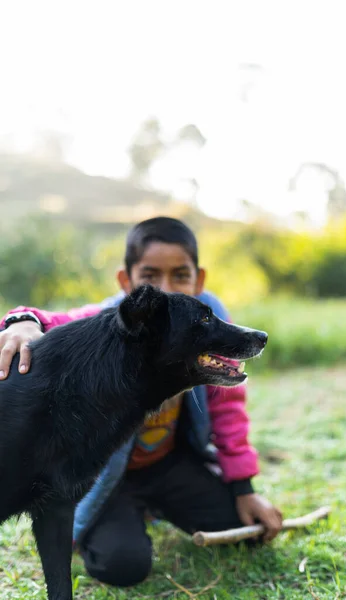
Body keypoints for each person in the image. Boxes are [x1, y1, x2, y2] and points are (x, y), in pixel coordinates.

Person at [0, 216, 282, 587]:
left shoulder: (203, 316)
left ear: (198, 279)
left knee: (243, 527)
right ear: (125, 280)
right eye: (150, 276)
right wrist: (21, 319)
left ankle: (156, 507)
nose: (165, 287)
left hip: (167, 464)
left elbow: (228, 412)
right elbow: (56, 321)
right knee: (124, 564)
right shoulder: (116, 322)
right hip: (110, 480)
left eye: (180, 275)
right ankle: (110, 521)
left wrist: (244, 489)